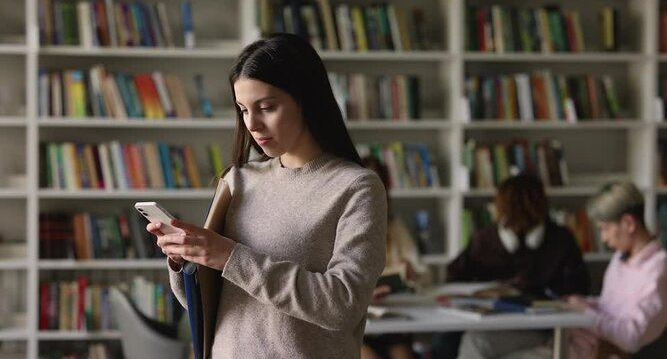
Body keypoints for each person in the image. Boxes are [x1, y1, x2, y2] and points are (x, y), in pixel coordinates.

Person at [147, 33, 388, 358]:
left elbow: (343, 304)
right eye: (243, 110)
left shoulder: (355, 187)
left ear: (306, 99)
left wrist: (229, 256)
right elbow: (207, 305)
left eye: (267, 107)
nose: (253, 124)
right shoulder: (238, 181)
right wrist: (186, 259)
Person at [443, 174, 589, 359]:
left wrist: (533, 289)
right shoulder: (485, 239)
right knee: (445, 342)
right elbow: (453, 276)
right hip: (489, 321)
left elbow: (578, 289)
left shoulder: (561, 240)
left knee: (475, 344)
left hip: (538, 325)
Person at [563, 181, 667, 358]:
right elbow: (611, 308)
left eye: (605, 229)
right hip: (586, 345)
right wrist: (587, 303)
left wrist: (586, 312)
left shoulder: (658, 271)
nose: (603, 239)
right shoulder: (620, 258)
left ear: (628, 223)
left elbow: (631, 337)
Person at [360, 156, 428, 359]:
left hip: (390, 318)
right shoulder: (338, 227)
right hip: (356, 323)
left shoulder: (394, 225)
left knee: (403, 355)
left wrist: (412, 273)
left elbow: (425, 275)